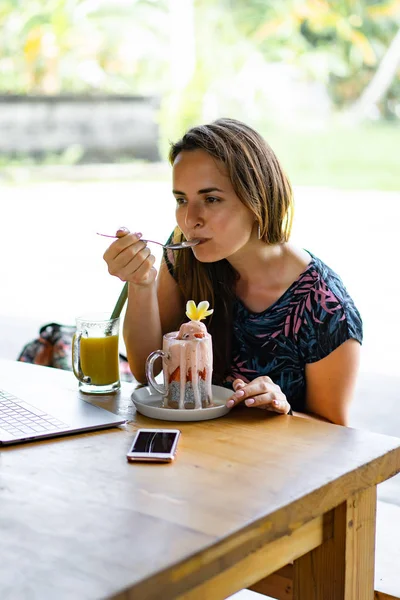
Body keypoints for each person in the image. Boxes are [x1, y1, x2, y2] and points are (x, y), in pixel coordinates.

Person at [103, 118, 362, 425]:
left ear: (257, 198)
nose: (190, 220)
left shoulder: (325, 307)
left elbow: (337, 434)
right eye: (181, 200)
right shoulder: (185, 254)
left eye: (211, 199)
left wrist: (285, 410)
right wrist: (141, 283)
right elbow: (148, 370)